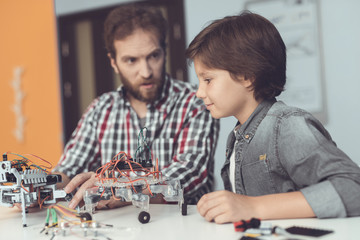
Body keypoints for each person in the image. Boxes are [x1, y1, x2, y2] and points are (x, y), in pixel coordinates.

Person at [186, 11, 360, 224]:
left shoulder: (287, 126)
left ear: (247, 77)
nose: (199, 92)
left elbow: (353, 188)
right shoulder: (238, 136)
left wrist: (252, 206)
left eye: (208, 79)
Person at [53, 3, 219, 209]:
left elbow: (190, 173)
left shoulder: (193, 101)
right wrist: (43, 186)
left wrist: (116, 186)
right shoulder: (100, 110)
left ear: (164, 51)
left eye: (153, 56)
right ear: (113, 62)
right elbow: (68, 169)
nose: (146, 71)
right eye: (131, 60)